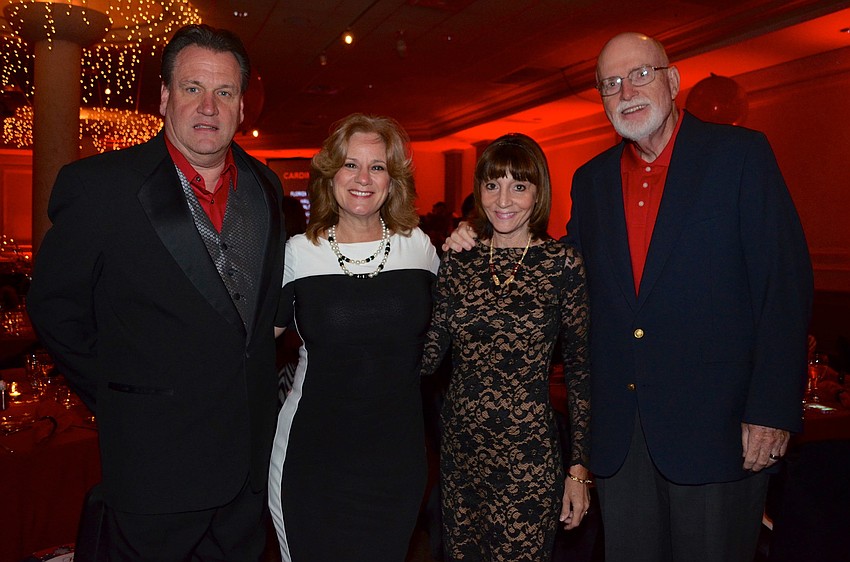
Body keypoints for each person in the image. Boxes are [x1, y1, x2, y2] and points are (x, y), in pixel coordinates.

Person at [446, 32, 813, 562]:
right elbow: (561, 272)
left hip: (718, 430)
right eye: (611, 84)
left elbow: (785, 282)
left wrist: (773, 409)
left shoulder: (739, 156)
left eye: (640, 74)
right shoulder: (592, 181)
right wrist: (481, 242)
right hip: (621, 435)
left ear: (672, 80)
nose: (627, 92)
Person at [26, 24, 286, 560]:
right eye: (193, 88)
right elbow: (56, 310)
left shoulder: (268, 188)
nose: (208, 107)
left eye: (225, 92)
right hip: (153, 471)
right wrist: (122, 399)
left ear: (242, 108)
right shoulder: (100, 187)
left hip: (246, 472)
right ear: (165, 97)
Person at [268, 113, 439, 561]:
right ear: (330, 174)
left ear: (392, 179)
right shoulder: (298, 253)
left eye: (377, 166)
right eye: (350, 164)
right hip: (312, 459)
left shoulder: (419, 248)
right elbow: (249, 341)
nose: (363, 178)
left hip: (396, 462)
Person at [423, 133, 591, 561]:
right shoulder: (460, 260)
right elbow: (427, 357)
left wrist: (578, 471)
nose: (504, 199)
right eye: (492, 184)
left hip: (527, 458)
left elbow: (580, 371)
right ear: (479, 190)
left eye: (519, 185)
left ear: (538, 194)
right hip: (461, 454)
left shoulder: (561, 265)